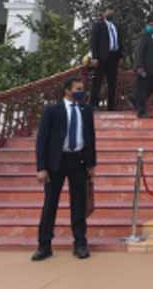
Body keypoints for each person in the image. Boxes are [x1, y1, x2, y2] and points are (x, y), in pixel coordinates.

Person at [33, 77, 96, 261]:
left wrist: (92, 164)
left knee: (79, 204)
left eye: (82, 88)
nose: (81, 91)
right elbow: (42, 140)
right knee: (50, 204)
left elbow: (91, 139)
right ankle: (44, 245)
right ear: (67, 90)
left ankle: (80, 243)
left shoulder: (86, 110)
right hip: (56, 163)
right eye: (78, 88)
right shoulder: (52, 110)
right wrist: (41, 167)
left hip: (78, 161)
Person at [89, 6, 123, 111]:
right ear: (104, 13)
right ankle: (93, 105)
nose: (110, 13)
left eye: (112, 10)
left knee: (112, 82)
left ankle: (111, 106)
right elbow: (94, 42)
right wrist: (94, 57)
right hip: (102, 57)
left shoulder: (115, 26)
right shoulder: (98, 25)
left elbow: (120, 41)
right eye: (108, 10)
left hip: (114, 57)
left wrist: (121, 55)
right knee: (97, 81)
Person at [131, 20, 153, 119]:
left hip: (151, 70)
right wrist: (139, 67)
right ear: (147, 26)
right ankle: (141, 111)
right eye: (152, 25)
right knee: (142, 90)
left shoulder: (152, 38)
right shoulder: (144, 37)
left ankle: (134, 98)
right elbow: (139, 52)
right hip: (144, 68)